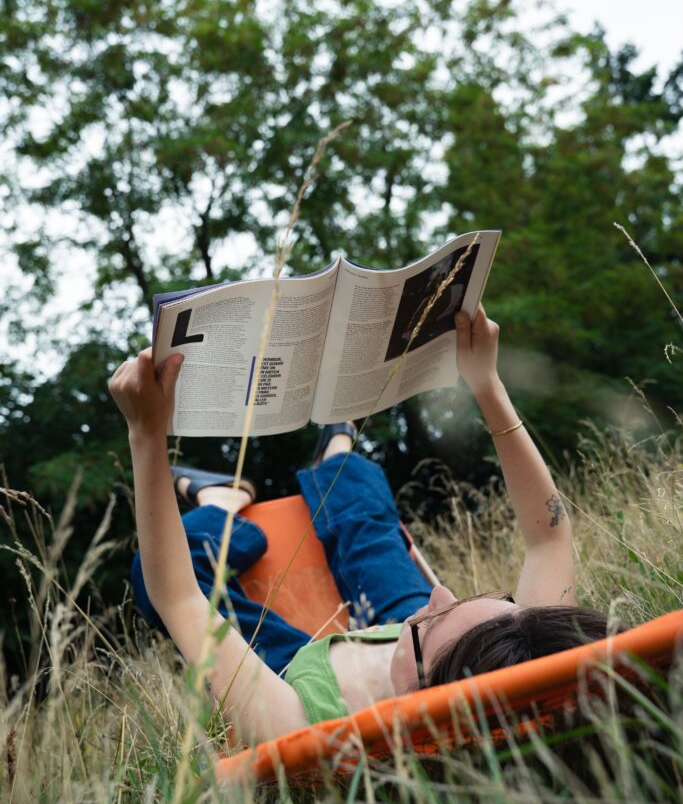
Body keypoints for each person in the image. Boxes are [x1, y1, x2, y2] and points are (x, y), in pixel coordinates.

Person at [109, 306, 615, 745]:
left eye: (435, 623)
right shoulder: (524, 665)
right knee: (369, 530)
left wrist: (146, 434)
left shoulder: (299, 721)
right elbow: (549, 536)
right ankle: (338, 449)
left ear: (420, 703)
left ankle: (222, 500)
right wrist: (486, 382)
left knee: (174, 568)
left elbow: (178, 597)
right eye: (492, 603)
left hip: (297, 663)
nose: (438, 595)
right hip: (394, 641)